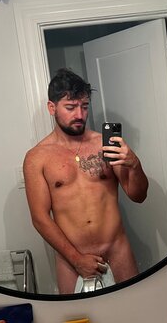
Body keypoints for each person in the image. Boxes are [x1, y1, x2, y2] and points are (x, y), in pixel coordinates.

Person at [23, 68, 149, 294]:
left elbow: (138, 195)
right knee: (80, 315)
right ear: (52, 107)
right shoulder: (37, 157)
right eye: (70, 107)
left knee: (132, 310)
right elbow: (40, 218)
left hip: (117, 251)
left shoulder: (105, 144)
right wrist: (76, 259)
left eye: (84, 106)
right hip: (72, 260)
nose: (80, 115)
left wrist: (135, 165)